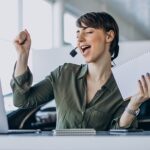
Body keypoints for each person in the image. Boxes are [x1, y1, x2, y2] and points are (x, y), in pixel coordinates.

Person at [11, 12, 150, 131]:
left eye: (88, 32)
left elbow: (118, 135)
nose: (79, 38)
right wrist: (23, 55)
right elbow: (21, 100)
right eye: (78, 33)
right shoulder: (63, 74)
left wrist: (134, 105)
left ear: (109, 36)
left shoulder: (124, 85)